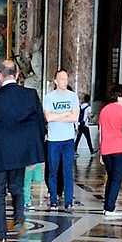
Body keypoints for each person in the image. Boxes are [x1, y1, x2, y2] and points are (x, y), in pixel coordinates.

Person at [0, 59, 46, 242]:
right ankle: (19, 217)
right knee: (17, 187)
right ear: (18, 74)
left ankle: (1, 235)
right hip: (20, 154)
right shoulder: (30, 95)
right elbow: (39, 127)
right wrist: (34, 155)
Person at [41, 69, 81, 210]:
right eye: (62, 79)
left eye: (66, 78)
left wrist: (57, 116)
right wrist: (65, 113)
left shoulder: (73, 97)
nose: (65, 81)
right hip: (53, 140)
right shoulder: (49, 97)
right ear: (56, 81)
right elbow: (49, 118)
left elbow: (75, 117)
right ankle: (53, 200)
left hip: (68, 140)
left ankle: (68, 201)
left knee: (68, 171)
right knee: (53, 171)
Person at [96, 85, 122, 213]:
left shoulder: (104, 110)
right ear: (120, 95)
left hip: (106, 149)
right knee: (116, 180)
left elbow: (101, 132)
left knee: (110, 178)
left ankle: (107, 206)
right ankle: (110, 208)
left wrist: (101, 151)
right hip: (119, 149)